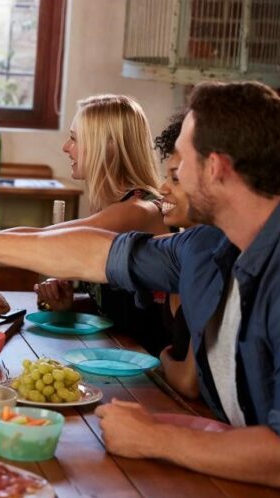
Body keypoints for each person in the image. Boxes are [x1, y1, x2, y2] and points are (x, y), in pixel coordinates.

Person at [0, 81, 280, 488]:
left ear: (216, 167)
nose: (172, 173)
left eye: (182, 159)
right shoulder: (208, 245)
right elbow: (96, 253)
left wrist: (157, 438)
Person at [31, 95, 169, 355]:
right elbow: (127, 306)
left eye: (75, 138)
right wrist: (71, 305)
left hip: (156, 375)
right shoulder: (112, 206)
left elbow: (46, 240)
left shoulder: (139, 210)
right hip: (120, 356)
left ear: (110, 146)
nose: (65, 147)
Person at [154, 113, 198, 399]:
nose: (162, 188)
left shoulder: (219, 259)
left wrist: (162, 360)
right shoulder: (178, 246)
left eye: (176, 178)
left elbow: (189, 383)